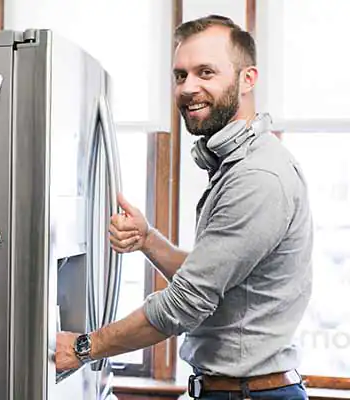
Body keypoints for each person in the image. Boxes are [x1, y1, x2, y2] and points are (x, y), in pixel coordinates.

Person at [55, 15, 313, 400]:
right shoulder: (237, 166)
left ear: (247, 79)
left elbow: (185, 302)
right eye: (180, 75)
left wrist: (83, 347)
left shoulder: (257, 177)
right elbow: (213, 278)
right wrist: (147, 239)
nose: (189, 87)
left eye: (205, 72)